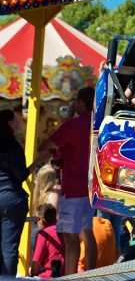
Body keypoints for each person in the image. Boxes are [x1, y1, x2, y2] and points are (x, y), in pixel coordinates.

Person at [35, 86, 97, 275]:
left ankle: (70, 278)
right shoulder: (96, 124)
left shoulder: (73, 125)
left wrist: (69, 118)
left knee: (70, 240)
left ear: (79, 103)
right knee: (87, 235)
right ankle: (90, 275)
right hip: (90, 189)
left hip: (73, 190)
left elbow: (45, 147)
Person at [0, 109, 30, 277]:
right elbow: (21, 175)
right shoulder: (13, 147)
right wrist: (37, 163)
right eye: (17, 120)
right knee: (9, 248)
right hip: (11, 198)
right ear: (9, 124)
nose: (19, 122)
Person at [30, 203, 64, 279]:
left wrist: (32, 274)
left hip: (49, 275)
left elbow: (36, 264)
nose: (36, 224)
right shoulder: (65, 230)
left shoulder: (43, 234)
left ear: (42, 220)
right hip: (68, 274)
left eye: (36, 222)